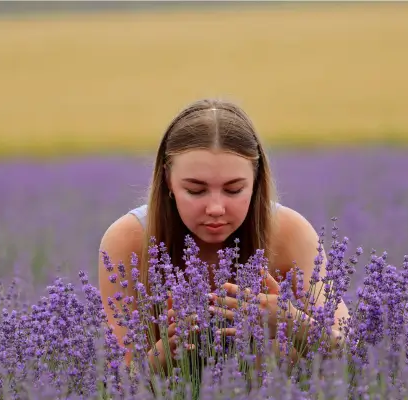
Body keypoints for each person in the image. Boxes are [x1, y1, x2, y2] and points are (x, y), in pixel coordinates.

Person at [98, 97, 349, 374]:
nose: (216, 208)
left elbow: (351, 351)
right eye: (195, 190)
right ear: (168, 180)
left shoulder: (290, 233)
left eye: (233, 190)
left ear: (255, 181)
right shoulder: (130, 240)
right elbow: (115, 380)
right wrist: (159, 358)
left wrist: (293, 324)